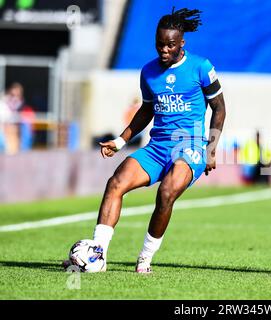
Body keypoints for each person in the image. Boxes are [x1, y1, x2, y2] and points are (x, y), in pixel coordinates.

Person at [64, 8, 226, 273]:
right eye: (160, 44)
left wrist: (211, 149)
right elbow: (146, 110)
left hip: (190, 146)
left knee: (166, 193)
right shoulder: (148, 72)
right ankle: (98, 255)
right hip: (156, 148)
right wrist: (121, 140)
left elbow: (219, 108)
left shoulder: (201, 67)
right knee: (115, 183)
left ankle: (145, 258)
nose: (164, 49)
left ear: (181, 43)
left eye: (170, 45)